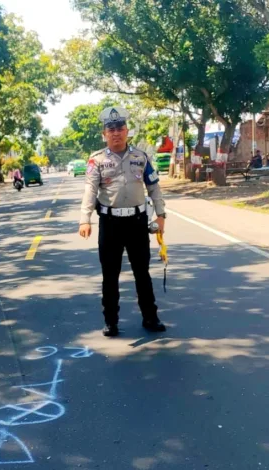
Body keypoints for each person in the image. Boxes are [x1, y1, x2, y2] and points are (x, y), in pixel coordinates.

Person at [79, 106, 167, 337]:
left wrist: (161, 215)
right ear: (104, 134)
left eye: (120, 128)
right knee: (110, 275)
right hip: (110, 225)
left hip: (137, 223)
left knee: (142, 273)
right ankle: (111, 321)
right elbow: (90, 189)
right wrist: (84, 219)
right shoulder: (96, 161)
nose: (116, 133)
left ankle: (150, 317)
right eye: (111, 129)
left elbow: (154, 187)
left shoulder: (141, 157)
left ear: (127, 131)